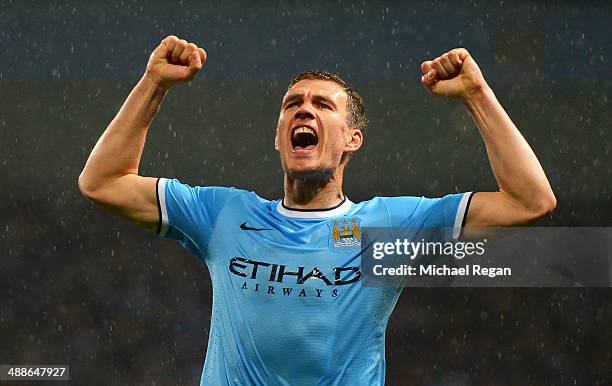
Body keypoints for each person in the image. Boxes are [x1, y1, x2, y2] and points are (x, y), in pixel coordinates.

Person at [78, 35, 556, 385]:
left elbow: (530, 201)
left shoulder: (386, 229)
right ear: (278, 136)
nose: (303, 110)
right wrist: (153, 83)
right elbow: (102, 182)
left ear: (352, 140)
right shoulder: (224, 214)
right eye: (293, 104)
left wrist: (476, 95)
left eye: (322, 105)